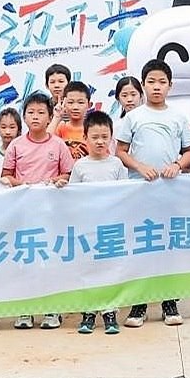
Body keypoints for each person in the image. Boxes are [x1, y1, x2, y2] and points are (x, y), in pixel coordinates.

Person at [115, 59, 190, 328]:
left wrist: (177, 166)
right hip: (140, 191)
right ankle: (139, 304)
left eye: (162, 82)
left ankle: (169, 301)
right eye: (151, 82)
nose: (157, 87)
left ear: (170, 86)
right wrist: (140, 166)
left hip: (170, 192)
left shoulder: (178, 117)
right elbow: (120, 151)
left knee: (168, 246)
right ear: (143, 85)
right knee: (142, 246)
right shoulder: (133, 117)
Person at [2, 93, 75, 330]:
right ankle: (25, 310)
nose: (35, 117)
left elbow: (68, 174)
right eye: (31, 112)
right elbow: (6, 176)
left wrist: (57, 181)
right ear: (24, 117)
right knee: (25, 260)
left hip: (51, 213)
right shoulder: (16, 145)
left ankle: (52, 310)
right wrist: (22, 185)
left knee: (50, 259)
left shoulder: (58, 145)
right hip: (23, 213)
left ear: (50, 117)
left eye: (41, 112)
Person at [69, 110, 126, 336]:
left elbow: (126, 194)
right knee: (89, 269)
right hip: (87, 228)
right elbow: (72, 196)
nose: (100, 141)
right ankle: (89, 313)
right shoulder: (80, 166)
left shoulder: (117, 164)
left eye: (105, 137)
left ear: (111, 137)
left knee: (111, 270)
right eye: (95, 137)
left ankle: (110, 312)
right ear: (85, 138)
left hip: (111, 228)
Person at [56, 80, 92, 160]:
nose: (75, 107)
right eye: (70, 102)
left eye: (80, 103)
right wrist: (56, 117)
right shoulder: (61, 127)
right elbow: (44, 144)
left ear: (89, 105)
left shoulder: (93, 129)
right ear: (64, 104)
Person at [44, 63, 72, 133]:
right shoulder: (43, 106)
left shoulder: (76, 106)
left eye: (61, 81)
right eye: (52, 82)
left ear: (69, 83)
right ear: (47, 85)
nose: (56, 85)